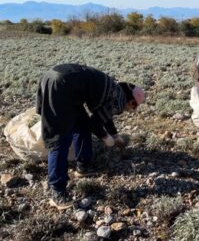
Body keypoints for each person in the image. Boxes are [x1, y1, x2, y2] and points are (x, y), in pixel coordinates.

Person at [36, 63, 145, 209]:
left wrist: (114, 134)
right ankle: (57, 190)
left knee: (81, 125)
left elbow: (102, 115)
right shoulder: (119, 100)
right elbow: (95, 123)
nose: (131, 110)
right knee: (60, 139)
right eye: (133, 106)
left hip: (57, 78)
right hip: (62, 86)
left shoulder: (115, 89)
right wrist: (107, 138)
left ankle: (83, 166)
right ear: (131, 101)